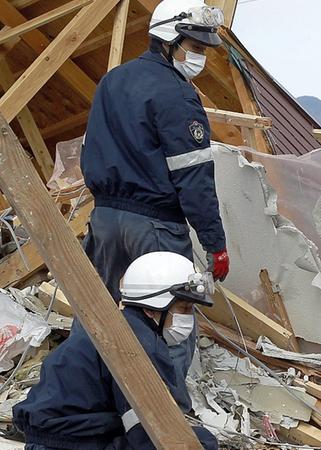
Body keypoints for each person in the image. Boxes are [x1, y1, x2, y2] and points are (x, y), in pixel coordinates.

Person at [80, 0, 229, 393]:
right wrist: (216, 244)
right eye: (194, 47)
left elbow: (91, 148)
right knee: (171, 326)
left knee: (95, 314)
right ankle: (170, 418)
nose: (199, 57)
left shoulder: (113, 80)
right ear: (169, 39)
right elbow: (194, 178)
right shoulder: (178, 96)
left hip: (105, 220)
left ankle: (87, 398)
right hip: (155, 226)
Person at [12, 252, 218, 450]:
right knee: (201, 442)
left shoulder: (117, 326)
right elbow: (150, 433)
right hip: (73, 443)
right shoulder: (140, 345)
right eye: (184, 309)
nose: (189, 318)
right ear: (152, 308)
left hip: (56, 435)